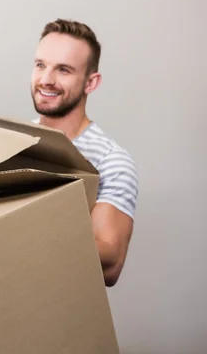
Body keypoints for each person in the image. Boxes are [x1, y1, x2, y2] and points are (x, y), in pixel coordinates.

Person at [29, 18, 139, 287]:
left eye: (63, 70)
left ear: (91, 82)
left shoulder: (111, 161)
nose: (46, 80)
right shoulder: (14, 141)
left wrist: (22, 227)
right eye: (40, 65)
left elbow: (110, 265)